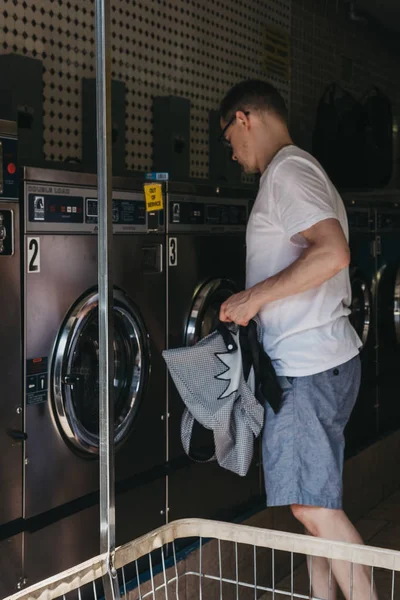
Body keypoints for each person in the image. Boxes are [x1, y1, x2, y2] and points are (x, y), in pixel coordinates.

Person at [218, 79, 377, 600]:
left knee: (313, 508)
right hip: (323, 359)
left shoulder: (287, 172)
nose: (233, 154)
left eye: (229, 138)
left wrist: (253, 299)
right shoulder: (303, 171)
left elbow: (332, 253)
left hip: (307, 368)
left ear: (245, 118)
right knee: (314, 505)